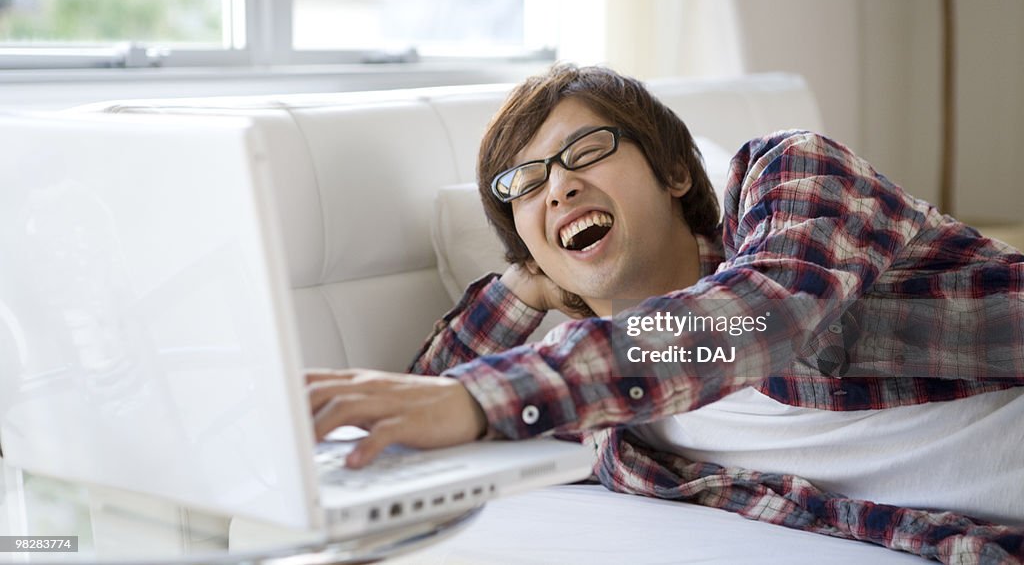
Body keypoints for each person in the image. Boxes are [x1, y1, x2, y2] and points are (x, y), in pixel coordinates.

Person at [307, 64, 1024, 562]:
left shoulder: (793, 182)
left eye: (584, 151)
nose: (557, 189)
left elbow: (760, 320)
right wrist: (523, 291)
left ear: (675, 173)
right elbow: (419, 417)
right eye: (524, 187)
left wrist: (479, 399)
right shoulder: (613, 425)